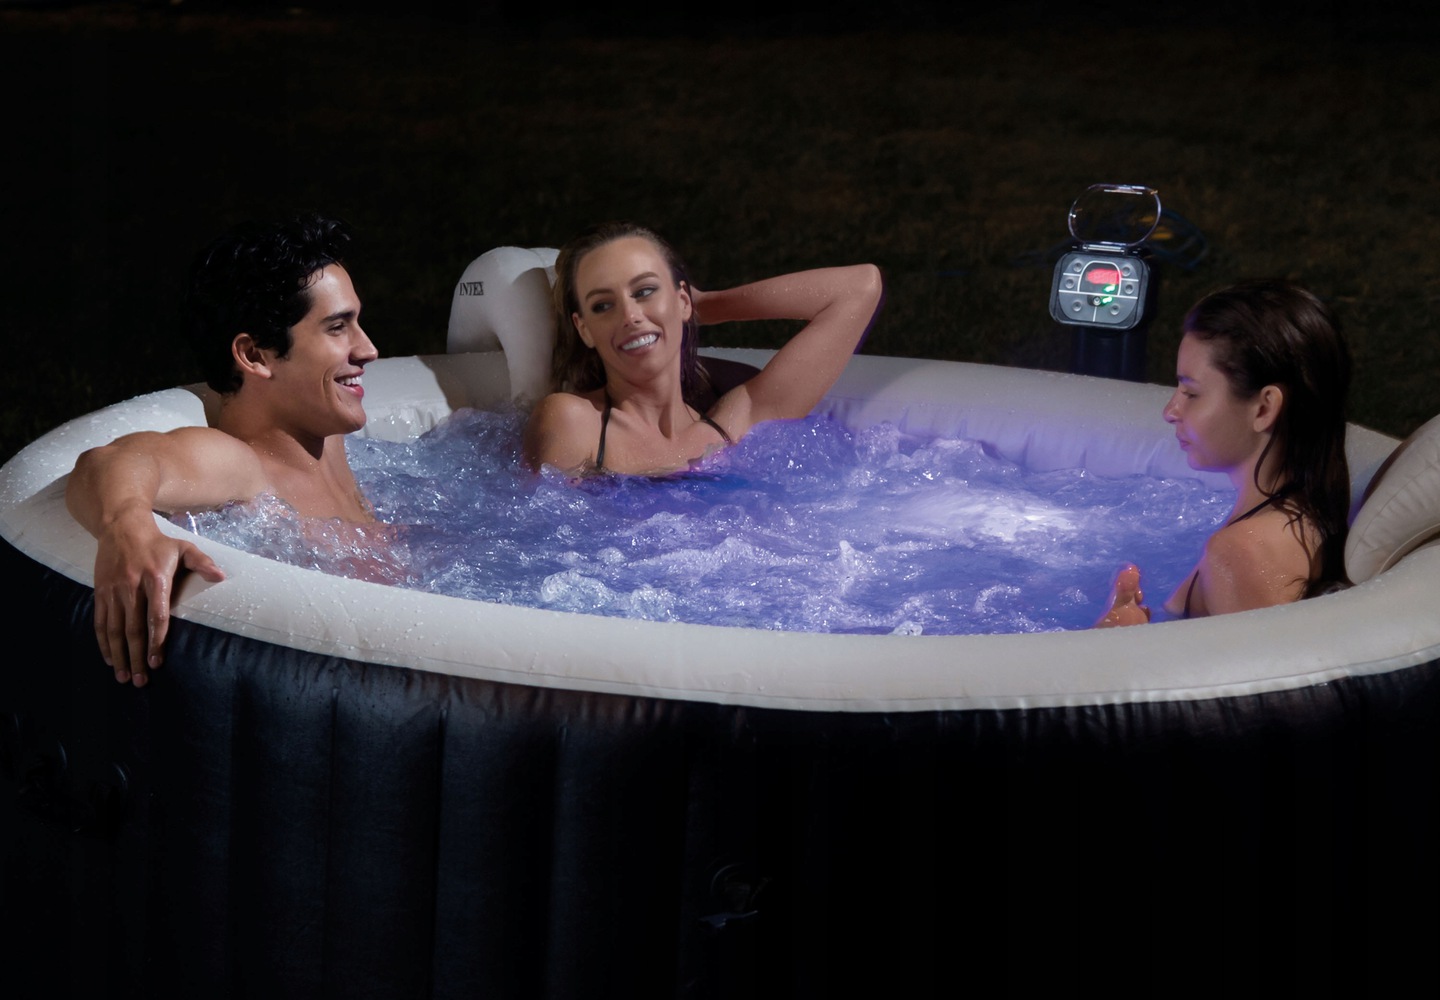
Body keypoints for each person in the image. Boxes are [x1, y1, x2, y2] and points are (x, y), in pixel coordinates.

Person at [66, 213, 379, 685]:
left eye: (356, 322)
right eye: (337, 328)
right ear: (254, 355)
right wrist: (125, 526)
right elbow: (109, 461)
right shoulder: (242, 465)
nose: (368, 349)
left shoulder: (321, 432)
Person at [522, 221, 883, 475]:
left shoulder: (736, 425)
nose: (630, 316)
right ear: (584, 330)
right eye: (603, 305)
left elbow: (859, 288)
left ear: (682, 301)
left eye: (645, 291)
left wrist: (706, 305)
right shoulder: (573, 421)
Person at [1096, 279, 1352, 627]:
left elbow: (1262, 664)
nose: (1170, 411)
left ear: (1264, 408)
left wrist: (1118, 644)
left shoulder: (1243, 551)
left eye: (1191, 393)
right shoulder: (1304, 512)